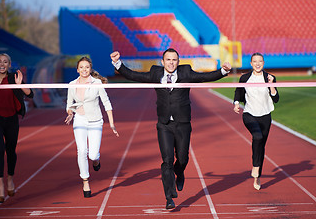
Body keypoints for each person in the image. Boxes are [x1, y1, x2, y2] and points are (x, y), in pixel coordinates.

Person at [110, 48, 231, 209]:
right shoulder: (155, 73)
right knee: (166, 161)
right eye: (168, 60)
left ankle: (179, 172)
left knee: (182, 159)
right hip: (164, 124)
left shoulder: (186, 72)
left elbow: (204, 77)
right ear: (162, 61)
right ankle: (169, 197)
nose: (171, 63)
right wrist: (118, 63)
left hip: (183, 124)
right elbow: (134, 75)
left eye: (174, 60)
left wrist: (223, 70)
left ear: (178, 61)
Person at [65, 56, 119, 198]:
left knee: (92, 154)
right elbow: (69, 104)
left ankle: (96, 160)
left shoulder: (97, 83)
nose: (84, 69)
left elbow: (106, 103)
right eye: (81, 67)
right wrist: (70, 112)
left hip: (95, 120)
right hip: (80, 120)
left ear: (90, 69)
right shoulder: (72, 84)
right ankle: (85, 180)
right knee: (81, 151)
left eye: (87, 67)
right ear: (77, 70)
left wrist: (112, 123)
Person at [233, 52, 279, 190]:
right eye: (255, 61)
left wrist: (271, 85)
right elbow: (238, 93)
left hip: (265, 115)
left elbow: (276, 99)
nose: (258, 63)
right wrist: (236, 103)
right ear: (251, 63)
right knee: (257, 136)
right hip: (249, 114)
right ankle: (255, 167)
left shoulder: (270, 77)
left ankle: (257, 174)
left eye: (260, 61)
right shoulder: (245, 78)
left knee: (261, 146)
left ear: (263, 63)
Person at [0, 53, 34, 203]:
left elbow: (30, 94)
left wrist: (20, 85)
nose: (2, 64)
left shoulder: (13, 78)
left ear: (9, 65)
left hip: (11, 119)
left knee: (10, 150)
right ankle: (0, 185)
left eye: (5, 62)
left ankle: (10, 179)